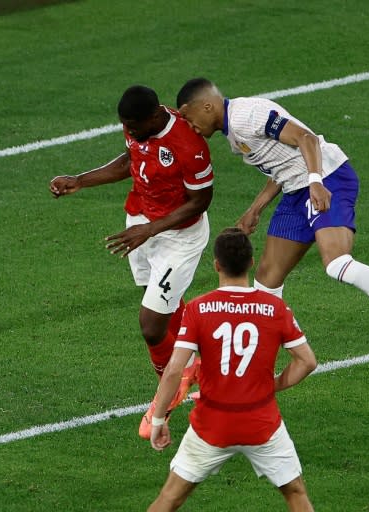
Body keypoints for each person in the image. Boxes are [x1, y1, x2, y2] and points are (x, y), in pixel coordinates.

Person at [175, 78, 369, 365]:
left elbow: (305, 138)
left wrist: (316, 182)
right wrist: (255, 208)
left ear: (206, 106)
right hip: (297, 189)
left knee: (337, 263)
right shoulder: (233, 132)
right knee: (265, 283)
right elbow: (282, 163)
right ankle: (254, 366)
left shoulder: (247, 115)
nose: (188, 125)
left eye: (187, 116)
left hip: (328, 178)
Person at [49, 85, 214, 439]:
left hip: (177, 237)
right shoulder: (136, 126)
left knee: (151, 324)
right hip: (140, 222)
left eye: (134, 126)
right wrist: (80, 180)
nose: (129, 131)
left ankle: (168, 391)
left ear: (155, 116)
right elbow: (130, 160)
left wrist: (151, 230)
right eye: (126, 126)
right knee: (162, 304)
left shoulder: (189, 145)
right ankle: (197, 363)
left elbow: (200, 201)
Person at [148, 227, 317, 512]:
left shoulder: (198, 309)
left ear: (216, 265)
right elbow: (307, 362)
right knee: (296, 492)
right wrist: (271, 386)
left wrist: (158, 419)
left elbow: (175, 369)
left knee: (170, 498)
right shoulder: (274, 307)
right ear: (252, 263)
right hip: (262, 424)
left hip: (211, 425)